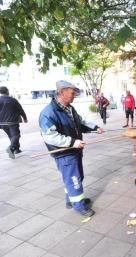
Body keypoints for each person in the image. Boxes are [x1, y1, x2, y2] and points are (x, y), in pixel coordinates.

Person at [39, 80, 103, 217]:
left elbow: (79, 123)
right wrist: (72, 142)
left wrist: (94, 127)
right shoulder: (48, 113)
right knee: (74, 179)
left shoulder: (68, 108)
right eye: (72, 93)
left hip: (74, 150)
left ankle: (71, 200)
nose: (75, 96)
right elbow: (50, 137)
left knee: (76, 177)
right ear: (62, 92)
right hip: (64, 153)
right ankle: (79, 206)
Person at [0, 86, 28, 159]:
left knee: (11, 136)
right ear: (7, 91)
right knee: (16, 135)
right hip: (13, 121)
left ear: (0, 92)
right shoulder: (13, 100)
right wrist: (25, 118)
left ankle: (16, 149)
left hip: (2, 123)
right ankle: (11, 148)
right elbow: (20, 109)